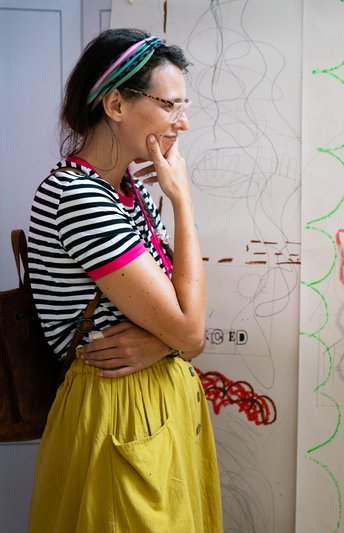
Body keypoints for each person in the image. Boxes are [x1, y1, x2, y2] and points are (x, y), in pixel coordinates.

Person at [27, 28, 222, 532]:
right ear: (116, 103)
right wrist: (183, 202)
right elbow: (191, 330)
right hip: (120, 408)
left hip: (152, 404)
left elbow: (181, 318)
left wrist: (164, 343)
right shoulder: (79, 196)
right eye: (170, 105)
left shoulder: (123, 190)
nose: (182, 122)